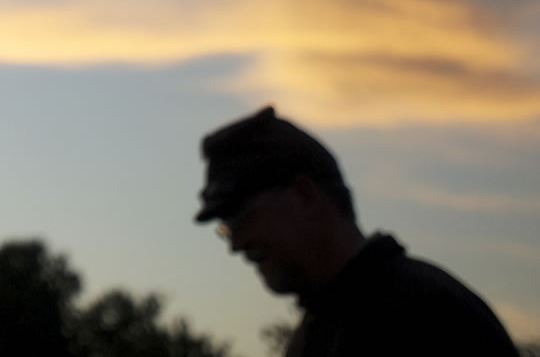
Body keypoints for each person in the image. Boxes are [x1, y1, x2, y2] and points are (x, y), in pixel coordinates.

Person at [193, 106, 517, 357]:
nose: (235, 244)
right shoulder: (320, 332)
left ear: (305, 195)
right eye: (226, 227)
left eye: (242, 217)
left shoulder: (426, 318)